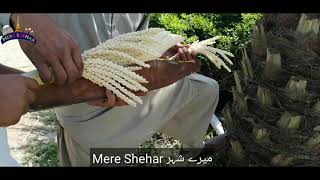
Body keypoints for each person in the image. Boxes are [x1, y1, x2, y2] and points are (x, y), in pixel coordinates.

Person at [0, 13, 226, 167]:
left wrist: (161, 54)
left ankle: (193, 151)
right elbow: (11, 30)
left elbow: (136, 39)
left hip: (126, 88)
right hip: (80, 109)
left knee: (204, 90)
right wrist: (25, 23)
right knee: (102, 154)